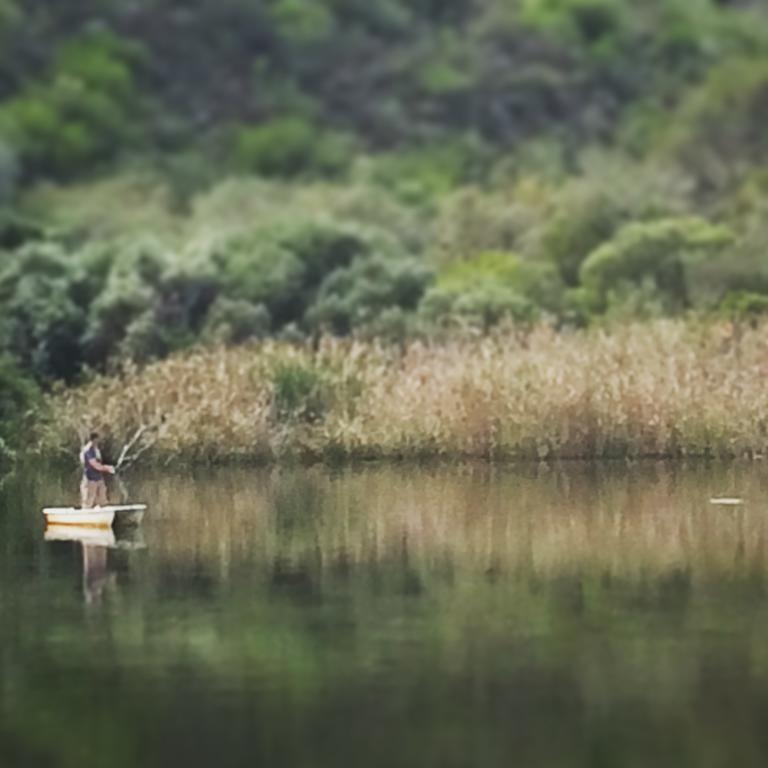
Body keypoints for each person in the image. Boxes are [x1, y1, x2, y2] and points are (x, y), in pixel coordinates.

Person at [80, 432, 115, 509]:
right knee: (88, 499)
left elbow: (98, 463)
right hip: (90, 479)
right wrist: (107, 468)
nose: (98, 442)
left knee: (102, 497)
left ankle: (104, 513)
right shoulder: (88, 450)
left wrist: (105, 467)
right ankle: (86, 515)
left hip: (98, 478)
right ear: (92, 440)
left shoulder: (96, 450)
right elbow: (94, 464)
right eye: (96, 440)